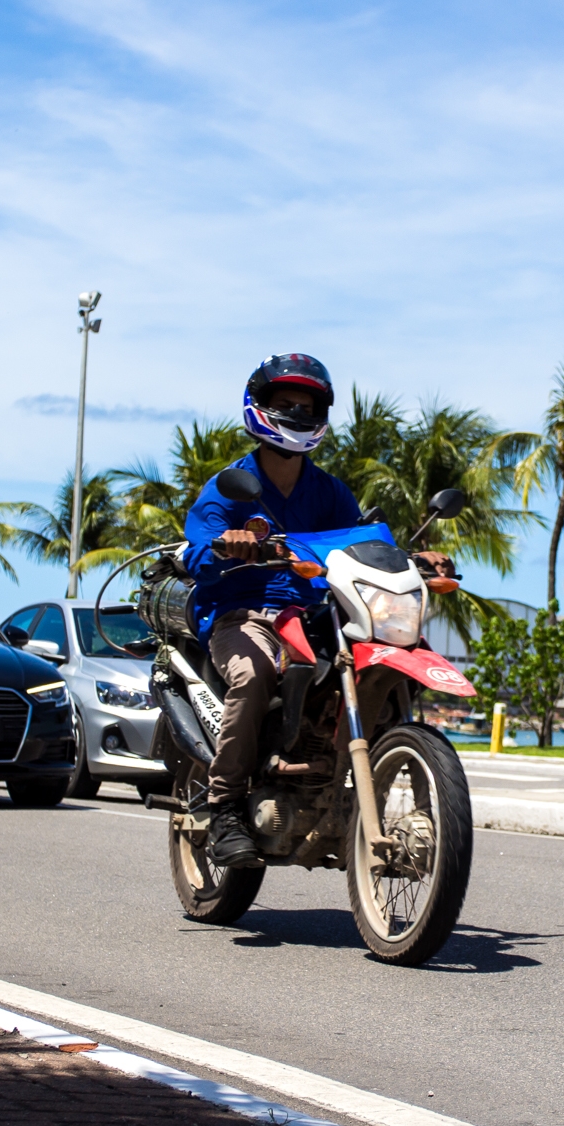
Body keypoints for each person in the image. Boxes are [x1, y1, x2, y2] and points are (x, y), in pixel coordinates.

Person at [183, 353, 453, 869]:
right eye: (285, 404)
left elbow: (362, 544)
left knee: (386, 657)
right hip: (244, 614)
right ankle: (224, 808)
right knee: (255, 672)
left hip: (315, 615)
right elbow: (198, 552)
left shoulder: (330, 492)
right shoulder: (227, 488)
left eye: (308, 407)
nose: (298, 414)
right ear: (259, 408)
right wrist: (229, 544)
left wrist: (415, 558)